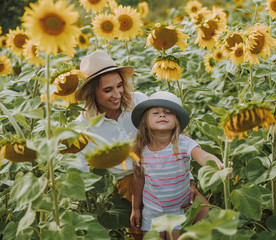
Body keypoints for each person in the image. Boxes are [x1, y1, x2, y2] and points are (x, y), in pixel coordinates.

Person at [74, 51, 209, 240]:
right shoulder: (83, 127)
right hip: (131, 185)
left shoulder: (138, 101)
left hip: (170, 170)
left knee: (206, 220)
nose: (117, 94)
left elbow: (172, 136)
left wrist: (190, 179)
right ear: (92, 93)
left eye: (120, 86)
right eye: (108, 90)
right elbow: (78, 172)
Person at [130, 91, 226, 240]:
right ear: (145, 121)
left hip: (178, 211)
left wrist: (218, 166)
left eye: (168, 113)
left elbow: (202, 155)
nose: (162, 115)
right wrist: (135, 208)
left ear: (176, 122)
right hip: (152, 213)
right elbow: (138, 179)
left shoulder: (182, 143)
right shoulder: (140, 150)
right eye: (156, 112)